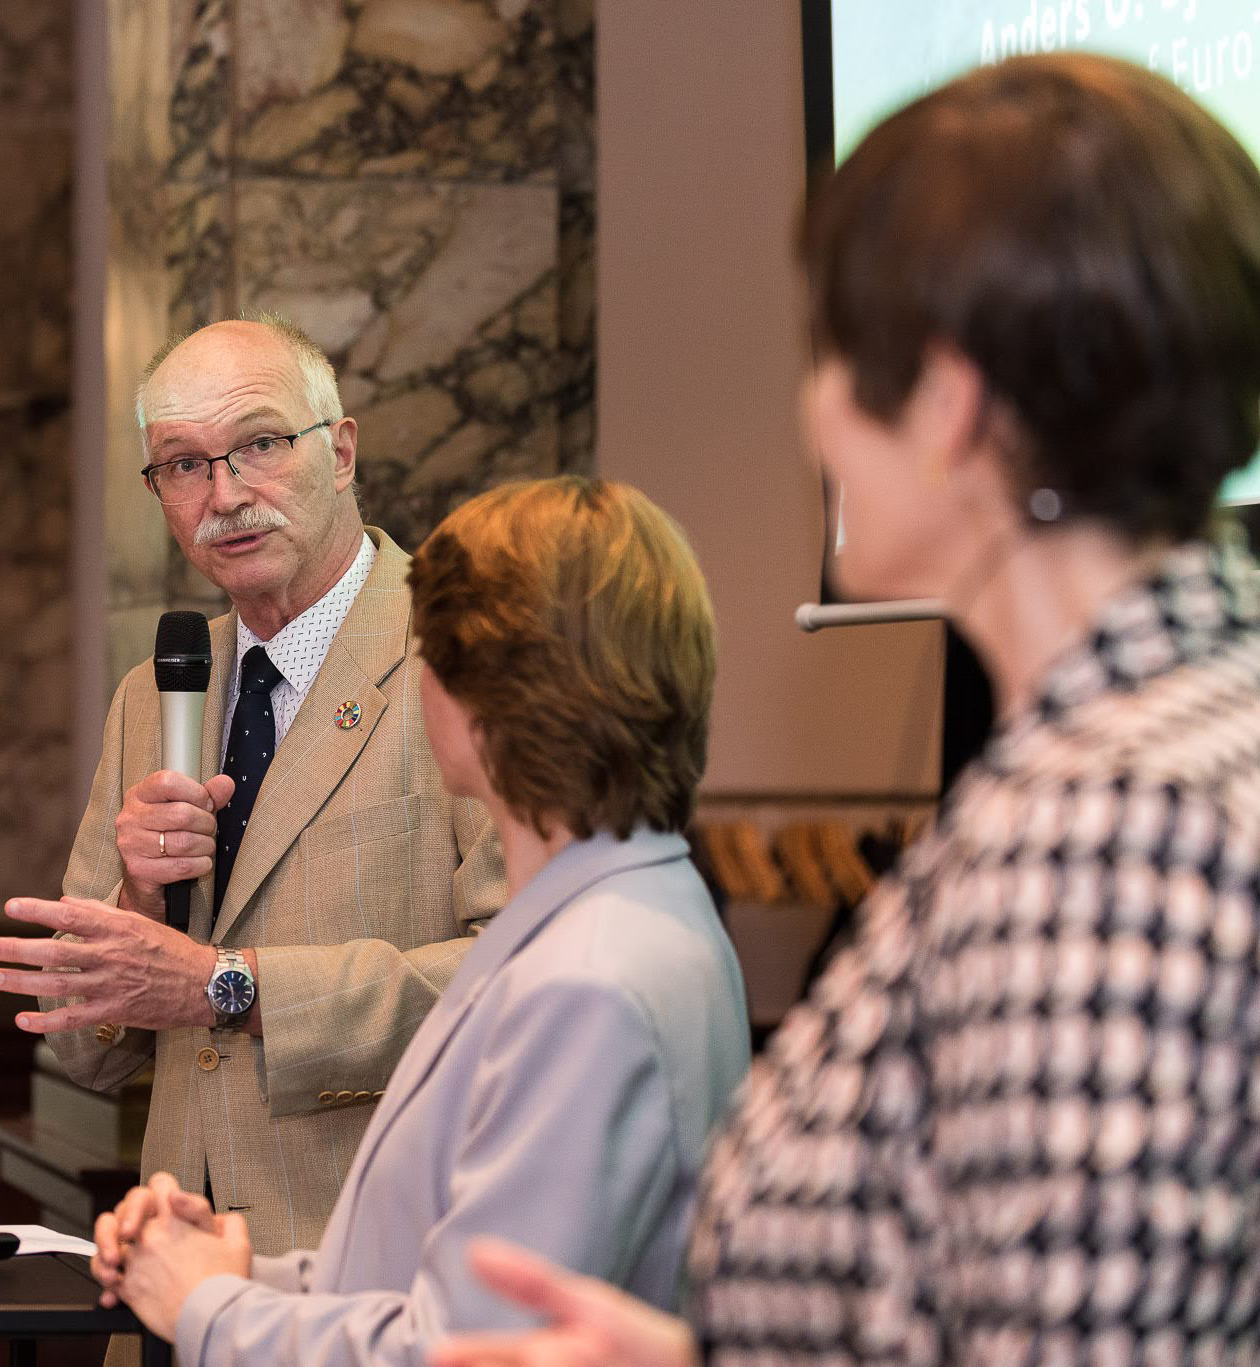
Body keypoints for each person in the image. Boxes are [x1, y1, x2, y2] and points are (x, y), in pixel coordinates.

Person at [433, 52, 1260, 1366]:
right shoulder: (1174, 732)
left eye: (829, 354)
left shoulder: (1107, 832)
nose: (811, 413)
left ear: (947, 405)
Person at [83, 476, 750, 1366]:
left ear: (481, 700)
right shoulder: (629, 911)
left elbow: (461, 1347)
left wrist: (209, 1306)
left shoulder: (586, 982)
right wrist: (241, 1273)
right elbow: (419, 1271)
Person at [0, 315, 507, 1261]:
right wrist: (142, 896)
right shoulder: (155, 693)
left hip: (382, 1264)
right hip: (180, 1265)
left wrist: (230, 985)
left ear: (340, 452)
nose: (223, 495)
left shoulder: (470, 654)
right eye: (182, 465)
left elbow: (517, 982)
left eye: (259, 445)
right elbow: (87, 1050)